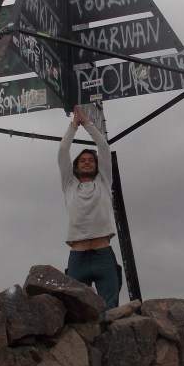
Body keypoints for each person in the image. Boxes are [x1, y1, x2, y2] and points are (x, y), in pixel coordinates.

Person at [57, 105, 120, 311]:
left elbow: (103, 147)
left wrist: (87, 123)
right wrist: (73, 126)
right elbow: (63, 151)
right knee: (76, 311)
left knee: (109, 309)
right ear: (75, 167)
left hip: (103, 254)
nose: (86, 163)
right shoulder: (69, 185)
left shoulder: (103, 181)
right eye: (82, 160)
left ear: (96, 165)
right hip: (78, 256)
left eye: (91, 160)